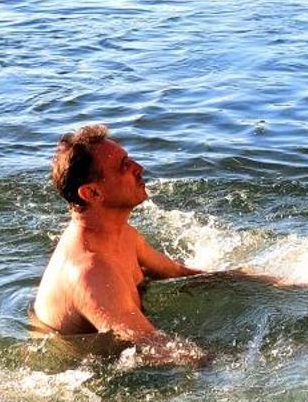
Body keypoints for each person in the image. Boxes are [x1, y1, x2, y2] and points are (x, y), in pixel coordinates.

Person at [29, 124, 279, 362]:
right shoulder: (89, 272)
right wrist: (250, 360)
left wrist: (263, 282)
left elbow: (180, 274)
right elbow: (150, 345)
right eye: (123, 166)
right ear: (92, 193)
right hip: (84, 379)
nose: (139, 168)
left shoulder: (122, 235)